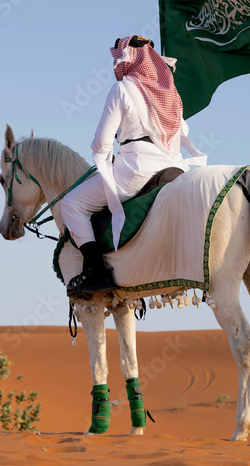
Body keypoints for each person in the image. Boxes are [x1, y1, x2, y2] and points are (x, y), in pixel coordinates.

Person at [60, 35, 207, 298]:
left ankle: (95, 271)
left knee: (71, 204)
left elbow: (103, 143)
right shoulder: (170, 92)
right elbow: (182, 130)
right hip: (175, 168)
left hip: (136, 170)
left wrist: (105, 155)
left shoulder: (123, 88)